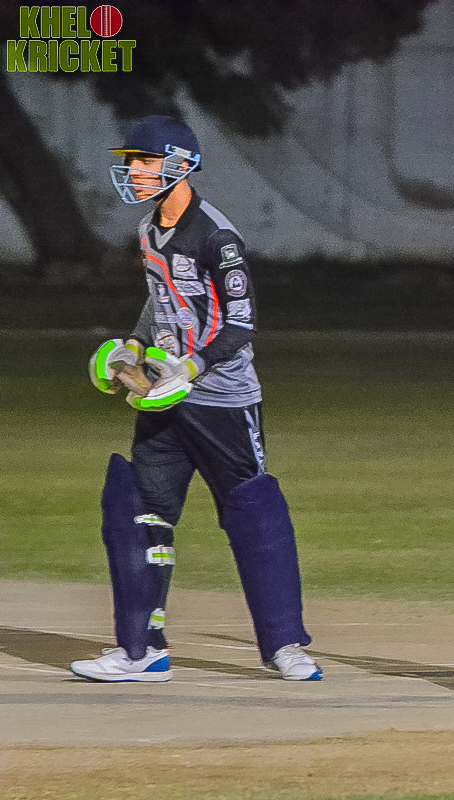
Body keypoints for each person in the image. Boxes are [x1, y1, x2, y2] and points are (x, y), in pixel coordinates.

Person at [72, 116, 321, 682]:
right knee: (140, 512)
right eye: (132, 162)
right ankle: (141, 649)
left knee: (254, 514)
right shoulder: (147, 229)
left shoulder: (217, 237)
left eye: (144, 161)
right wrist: (135, 345)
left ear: (179, 165)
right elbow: (159, 298)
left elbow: (241, 323)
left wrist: (191, 367)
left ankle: (285, 646)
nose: (135, 171)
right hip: (164, 402)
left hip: (223, 401)